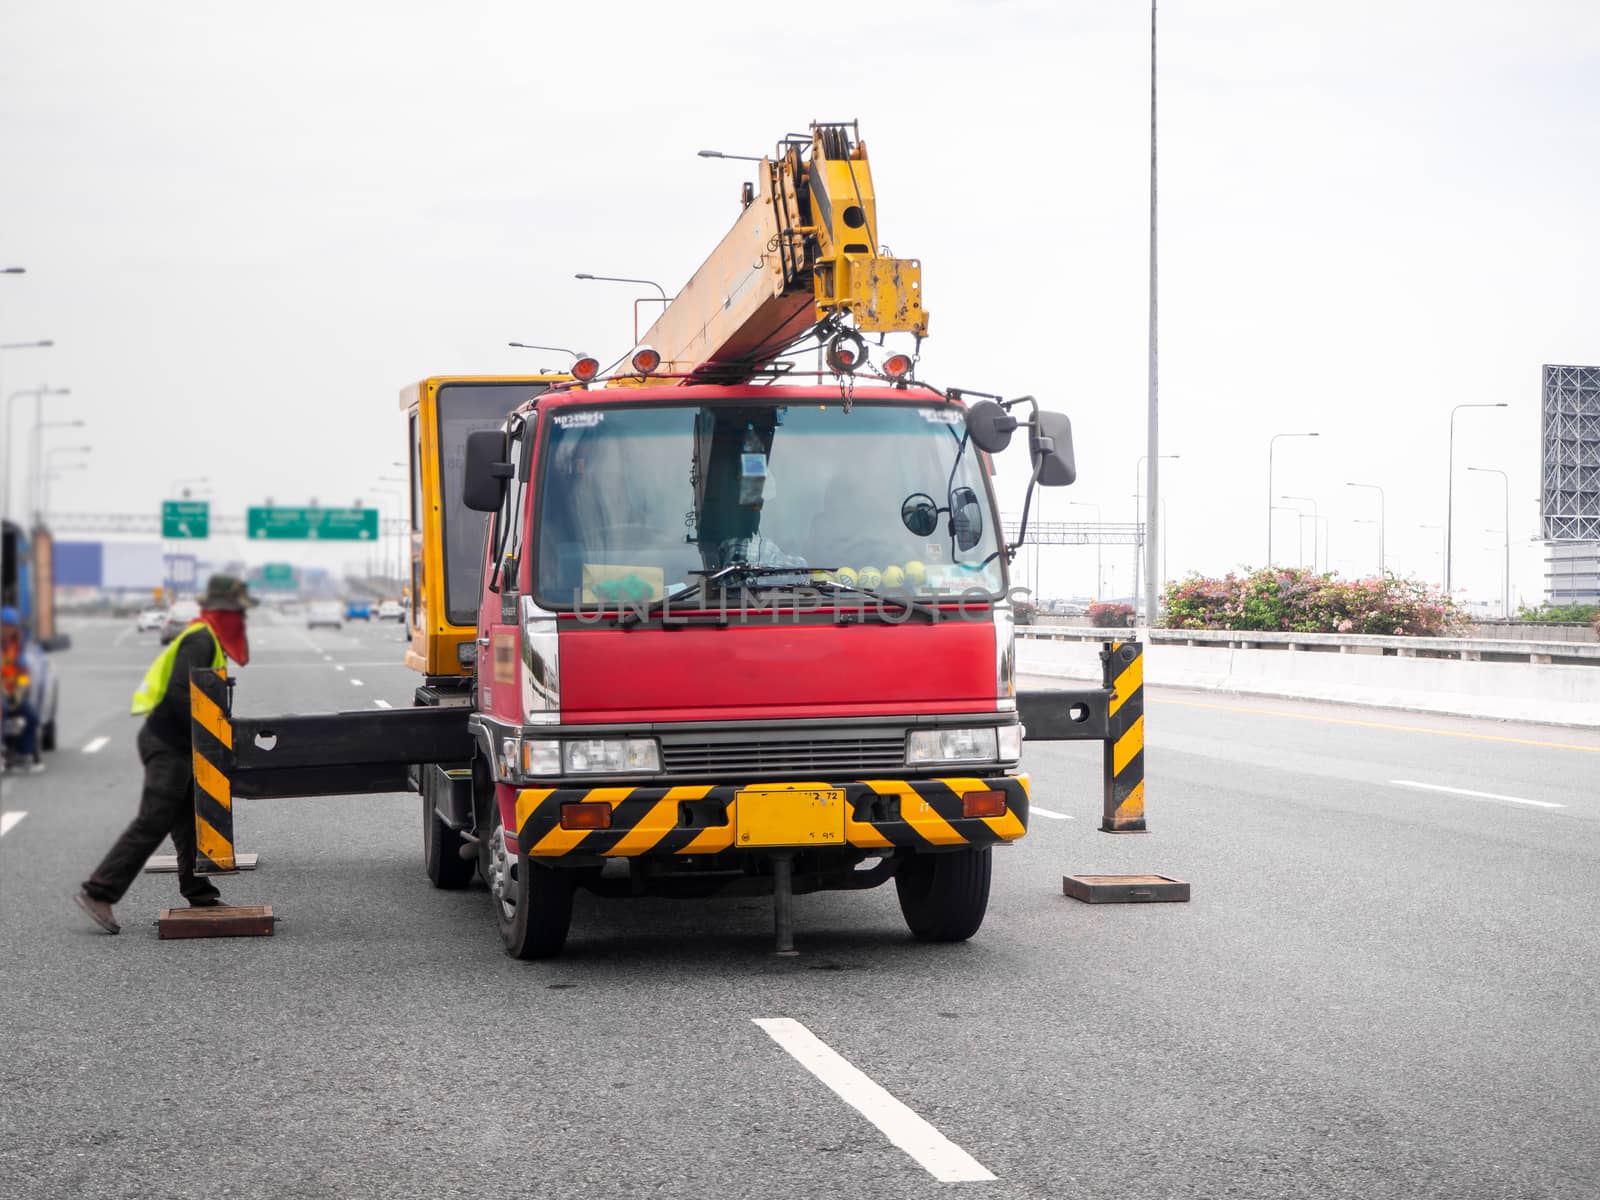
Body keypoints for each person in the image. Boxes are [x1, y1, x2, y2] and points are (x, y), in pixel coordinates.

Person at [74, 574, 257, 934]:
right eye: (237, 612)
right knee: (154, 819)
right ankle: (99, 892)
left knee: (190, 820)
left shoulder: (208, 638)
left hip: (182, 745)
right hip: (168, 744)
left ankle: (199, 893)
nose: (241, 620)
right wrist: (214, 727)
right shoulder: (200, 639)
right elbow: (178, 695)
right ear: (224, 611)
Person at [1, 606, 44, 773]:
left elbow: (23, 675)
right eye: (4, 625)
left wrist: (20, 689)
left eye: (10, 626)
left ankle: (23, 755)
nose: (7, 630)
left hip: (12, 694)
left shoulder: (16, 648)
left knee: (33, 716)